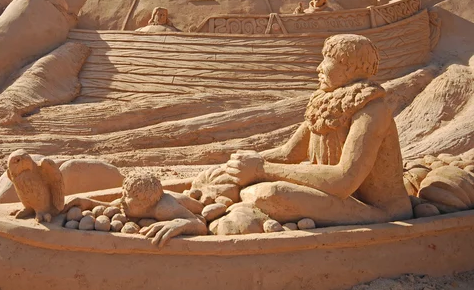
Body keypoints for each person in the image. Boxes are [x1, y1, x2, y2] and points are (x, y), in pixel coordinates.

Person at [209, 34, 413, 230]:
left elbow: (344, 180)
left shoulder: (373, 112)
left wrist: (260, 170)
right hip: (340, 197)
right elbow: (288, 154)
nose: (319, 68)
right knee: (258, 190)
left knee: (272, 194)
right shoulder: (331, 104)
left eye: (327, 60)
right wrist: (239, 164)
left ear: (350, 67)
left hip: (379, 211)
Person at [65, 172, 206, 246]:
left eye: (127, 197)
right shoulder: (132, 205)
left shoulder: (165, 209)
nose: (121, 200)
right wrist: (88, 203)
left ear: (145, 203)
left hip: (193, 208)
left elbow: (200, 224)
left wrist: (179, 224)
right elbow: (112, 207)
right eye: (124, 194)